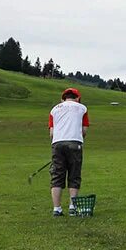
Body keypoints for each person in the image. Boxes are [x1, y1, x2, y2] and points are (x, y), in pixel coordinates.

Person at [49, 87, 89, 217]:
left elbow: (51, 133)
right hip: (75, 143)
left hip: (57, 143)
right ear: (77, 98)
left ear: (63, 98)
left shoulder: (54, 110)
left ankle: (57, 209)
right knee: (74, 174)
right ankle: (72, 207)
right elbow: (84, 130)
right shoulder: (82, 108)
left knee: (57, 176)